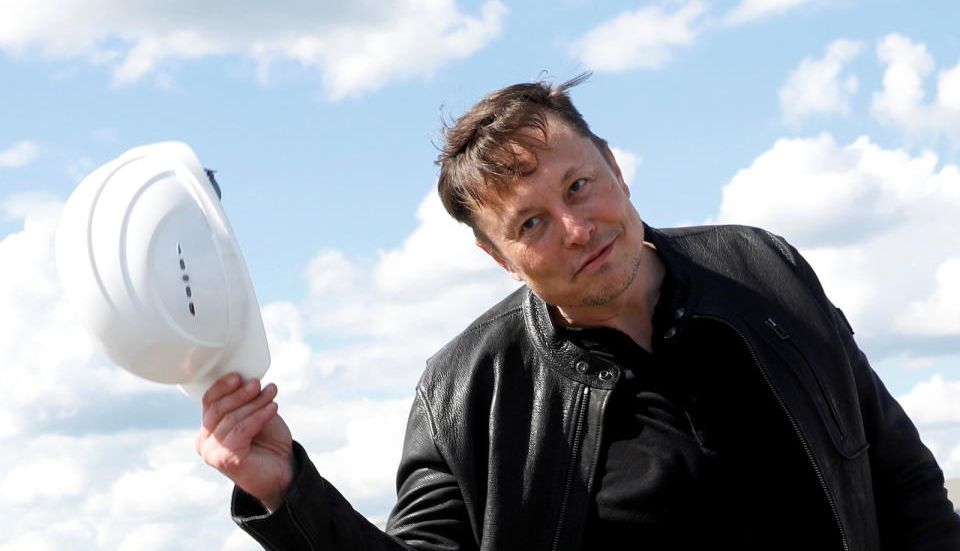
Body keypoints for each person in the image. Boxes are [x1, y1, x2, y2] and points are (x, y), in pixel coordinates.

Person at [197, 75, 960, 550]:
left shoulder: (766, 271)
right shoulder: (467, 390)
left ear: (617, 170)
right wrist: (287, 490)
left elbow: (903, 481)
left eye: (578, 187)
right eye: (529, 224)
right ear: (501, 259)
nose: (576, 229)